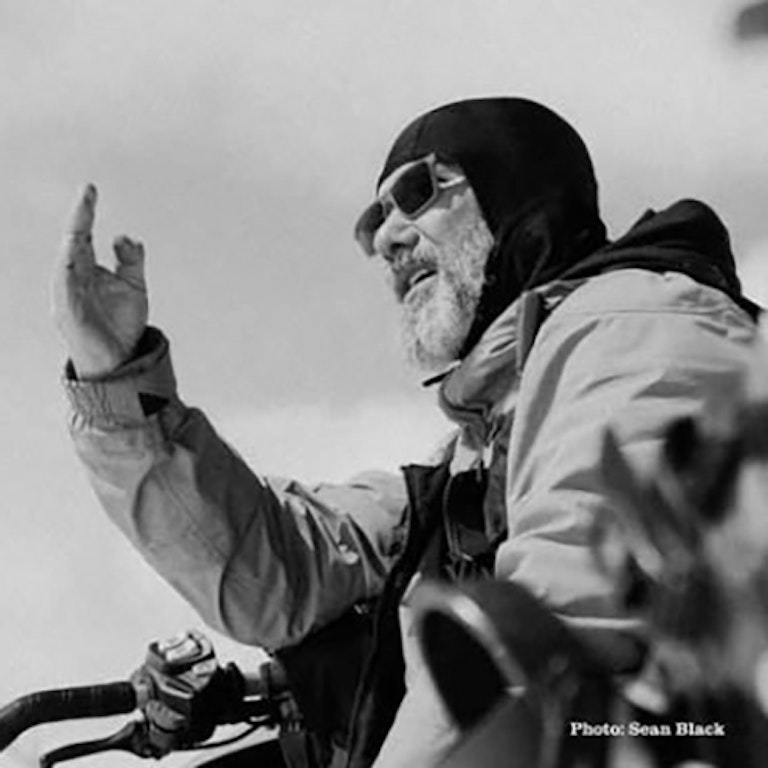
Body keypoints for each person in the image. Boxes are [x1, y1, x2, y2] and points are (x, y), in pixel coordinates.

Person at [51, 97, 761, 767]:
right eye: (373, 219)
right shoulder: (474, 457)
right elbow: (276, 569)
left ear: (516, 191)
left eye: (420, 192)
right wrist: (115, 375)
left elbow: (563, 642)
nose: (387, 237)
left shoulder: (637, 325)